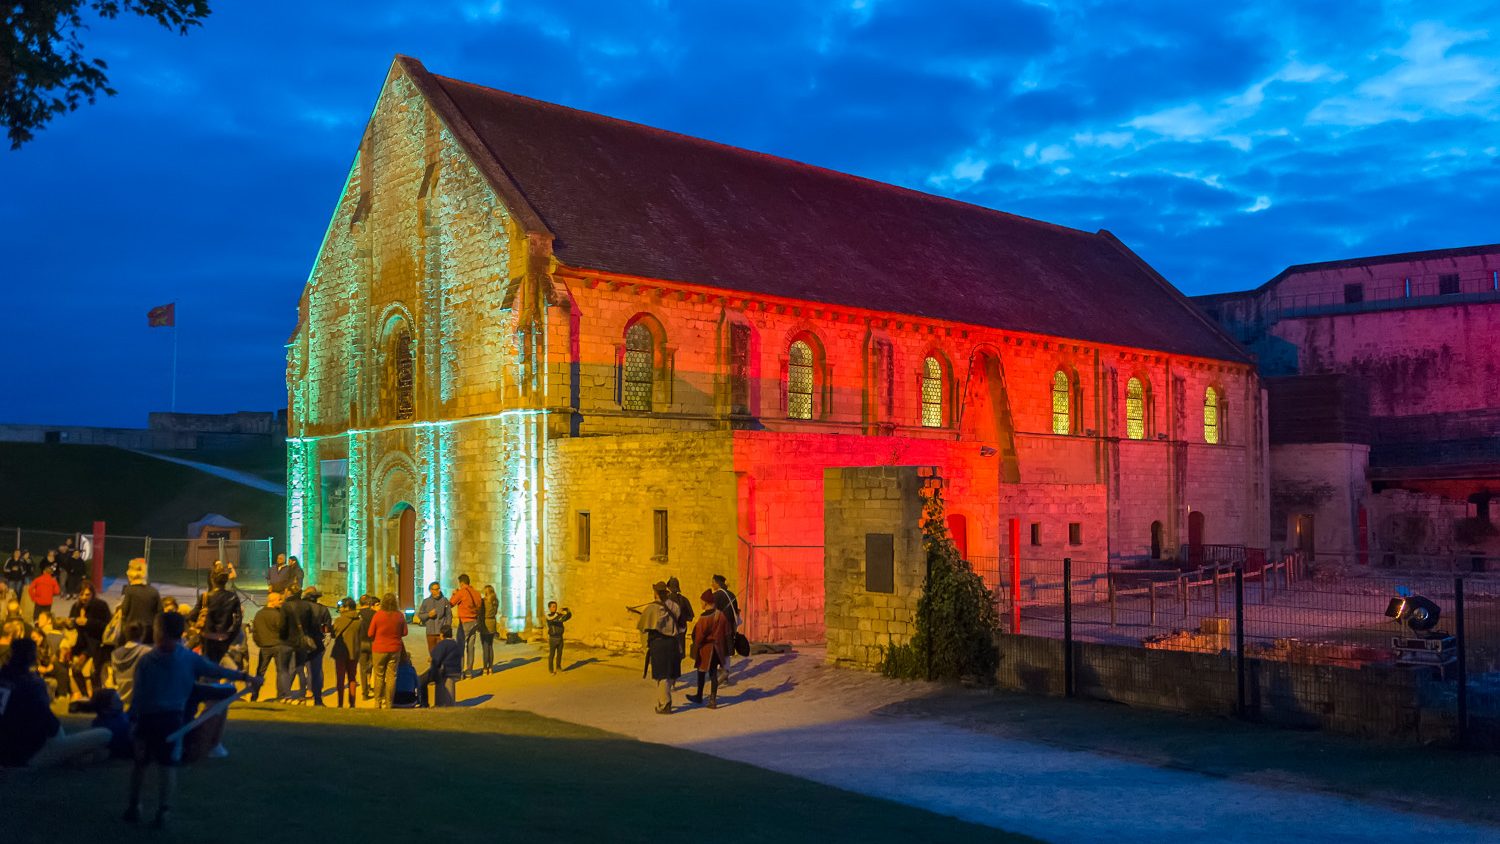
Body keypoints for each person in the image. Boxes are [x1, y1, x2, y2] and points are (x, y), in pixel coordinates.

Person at [125, 610, 256, 828]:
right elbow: (215, 669)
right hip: (168, 720)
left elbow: (139, 695)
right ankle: (155, 809)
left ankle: (142, 807)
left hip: (153, 719)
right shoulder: (186, 658)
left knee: (146, 764)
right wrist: (245, 677)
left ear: (158, 632)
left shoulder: (149, 660)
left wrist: (133, 720)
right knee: (163, 766)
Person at [0, 638, 112, 768]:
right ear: (31, 656)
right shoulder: (32, 684)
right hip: (30, 753)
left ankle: (75, 758)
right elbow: (48, 723)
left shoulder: (5, 678)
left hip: (8, 750)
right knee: (105, 734)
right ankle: (71, 759)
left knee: (91, 750)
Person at [635, 582, 681, 715]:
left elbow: (643, 628)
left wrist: (645, 647)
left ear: (655, 593)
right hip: (672, 643)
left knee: (662, 675)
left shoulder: (651, 609)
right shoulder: (675, 607)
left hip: (658, 645)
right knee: (669, 673)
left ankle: (665, 703)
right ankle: (664, 700)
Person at [285, 586, 328, 705]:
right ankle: (314, 694)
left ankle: (287, 692)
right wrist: (325, 642)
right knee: (314, 670)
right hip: (317, 643)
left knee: (294, 668)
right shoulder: (323, 609)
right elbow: (327, 629)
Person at [688, 590, 731, 708]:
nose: (700, 604)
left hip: (707, 649)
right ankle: (712, 699)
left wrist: (696, 646)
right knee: (713, 674)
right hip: (718, 649)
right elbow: (727, 631)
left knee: (702, 672)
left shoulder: (704, 618)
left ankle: (700, 696)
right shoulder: (721, 615)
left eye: (701, 602)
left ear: (706, 603)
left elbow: (699, 635)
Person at [67, 581, 110, 699]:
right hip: (80, 644)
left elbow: (106, 626)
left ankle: (94, 695)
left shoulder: (101, 606)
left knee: (93, 673)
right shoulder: (76, 607)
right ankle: (83, 694)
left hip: (96, 644)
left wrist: (88, 622)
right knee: (75, 669)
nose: (84, 598)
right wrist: (73, 622)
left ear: (92, 594)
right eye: (81, 595)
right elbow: (71, 623)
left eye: (87, 595)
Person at [191, 570, 242, 667]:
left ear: (212, 580)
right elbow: (238, 621)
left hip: (207, 638)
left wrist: (196, 628)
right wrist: (230, 637)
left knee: (208, 666)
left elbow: (192, 616)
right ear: (226, 581)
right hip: (224, 637)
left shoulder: (206, 597)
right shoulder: (233, 597)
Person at [250, 591, 293, 702]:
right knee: (282, 671)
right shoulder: (278, 615)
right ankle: (282, 695)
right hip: (278, 645)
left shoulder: (259, 614)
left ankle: (254, 696)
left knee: (260, 672)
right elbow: (284, 630)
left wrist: (259, 642)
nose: (281, 601)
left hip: (264, 647)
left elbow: (255, 631)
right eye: (279, 599)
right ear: (272, 601)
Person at [367, 592, 407, 709]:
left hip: (379, 649)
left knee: (379, 675)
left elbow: (370, 633)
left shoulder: (378, 615)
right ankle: (389, 703)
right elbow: (405, 632)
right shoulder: (399, 615)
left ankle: (377, 702)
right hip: (394, 649)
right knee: (391, 676)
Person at [328, 597, 363, 708]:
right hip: (354, 651)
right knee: (352, 677)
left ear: (347, 607)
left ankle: (340, 702)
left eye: (342, 606)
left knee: (340, 678)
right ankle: (352, 703)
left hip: (340, 652)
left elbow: (333, 634)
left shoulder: (339, 620)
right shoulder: (359, 621)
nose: (340, 608)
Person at [118, 558, 161, 645]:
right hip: (150, 632)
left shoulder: (129, 591)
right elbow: (160, 612)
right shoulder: (154, 591)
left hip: (133, 632)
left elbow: (125, 610)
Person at [448, 573, 483, 677]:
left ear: (461, 583)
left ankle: (460, 671)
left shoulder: (462, 592)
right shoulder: (476, 593)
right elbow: (480, 606)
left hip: (464, 622)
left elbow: (451, 603)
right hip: (475, 622)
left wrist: (454, 594)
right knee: (471, 647)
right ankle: (469, 671)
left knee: (460, 646)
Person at [419, 626, 462, 707]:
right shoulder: (455, 644)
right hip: (456, 670)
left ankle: (424, 704)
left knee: (421, 681)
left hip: (445, 671)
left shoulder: (442, 644)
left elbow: (436, 660)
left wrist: (431, 661)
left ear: (442, 635)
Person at [712, 574, 743, 684]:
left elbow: (713, 612)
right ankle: (726, 672)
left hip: (720, 627)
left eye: (713, 582)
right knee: (727, 650)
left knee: (718, 649)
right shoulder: (732, 595)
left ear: (717, 583)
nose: (712, 584)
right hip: (730, 627)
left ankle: (721, 673)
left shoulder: (716, 596)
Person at [111, 622, 151, 707]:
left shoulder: (114, 654)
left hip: (122, 700)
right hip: (141, 702)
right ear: (143, 634)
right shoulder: (146, 652)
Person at [665, 577, 695, 686]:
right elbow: (691, 616)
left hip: (668, 632)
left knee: (669, 654)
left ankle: (670, 676)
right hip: (681, 632)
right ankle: (674, 676)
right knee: (678, 654)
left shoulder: (665, 600)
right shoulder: (684, 600)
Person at [417, 581, 451, 655]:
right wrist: (428, 615)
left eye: (438, 589)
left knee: (441, 653)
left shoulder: (444, 600)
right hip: (430, 632)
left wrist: (447, 628)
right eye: (435, 589)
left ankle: (441, 666)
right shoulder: (426, 601)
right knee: (432, 653)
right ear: (431, 590)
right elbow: (420, 615)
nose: (437, 591)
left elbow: (449, 615)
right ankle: (434, 666)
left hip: (441, 633)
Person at [357, 594, 377, 699]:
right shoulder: (375, 614)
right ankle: (374, 687)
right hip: (373, 642)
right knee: (374, 666)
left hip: (361, 642)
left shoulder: (357, 615)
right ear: (369, 603)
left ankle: (364, 692)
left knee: (362, 668)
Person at [545, 601, 571, 675]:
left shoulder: (559, 616)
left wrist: (568, 611)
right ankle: (551, 670)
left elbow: (567, 617)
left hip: (560, 637)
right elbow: (551, 619)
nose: (555, 608)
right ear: (549, 608)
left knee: (559, 654)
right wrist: (557, 614)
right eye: (553, 606)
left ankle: (558, 668)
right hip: (553, 638)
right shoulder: (548, 616)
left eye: (555, 606)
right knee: (552, 654)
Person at [479, 585, 500, 675]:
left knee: (485, 646)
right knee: (490, 646)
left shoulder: (484, 601)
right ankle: (490, 668)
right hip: (492, 622)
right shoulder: (495, 601)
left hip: (485, 623)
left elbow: (480, 613)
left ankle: (485, 668)